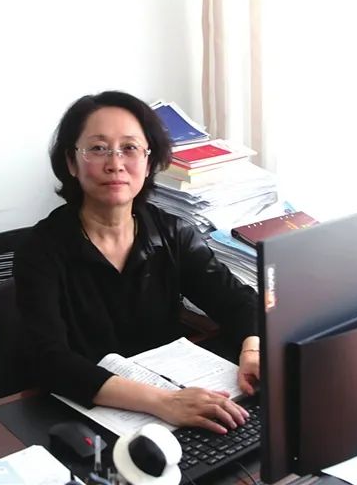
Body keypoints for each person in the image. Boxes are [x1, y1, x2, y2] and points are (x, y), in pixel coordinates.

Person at [13, 91, 260, 435]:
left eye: (129, 148)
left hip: (169, 403)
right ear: (71, 162)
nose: (115, 163)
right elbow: (49, 360)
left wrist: (252, 350)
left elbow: (239, 301)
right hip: (84, 416)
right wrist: (163, 402)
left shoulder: (172, 234)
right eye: (98, 148)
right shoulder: (40, 250)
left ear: (148, 160)